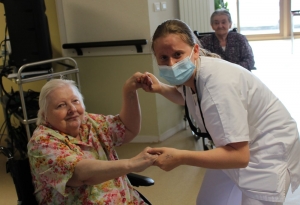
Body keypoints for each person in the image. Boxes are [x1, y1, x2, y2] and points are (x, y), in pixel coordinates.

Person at [138, 19, 300, 205]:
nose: (172, 64)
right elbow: (189, 97)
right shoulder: (194, 75)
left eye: (178, 54)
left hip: (267, 152)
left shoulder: (217, 85)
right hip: (234, 146)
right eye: (163, 58)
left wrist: (180, 157)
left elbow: (239, 156)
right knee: (209, 201)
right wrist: (160, 88)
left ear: (195, 51)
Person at [27, 76, 157, 205]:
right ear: (44, 115)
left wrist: (129, 91)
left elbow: (127, 129)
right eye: (61, 105)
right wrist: (131, 164)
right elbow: (82, 174)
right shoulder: (41, 142)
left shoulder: (89, 122)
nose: (72, 109)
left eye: (75, 101)